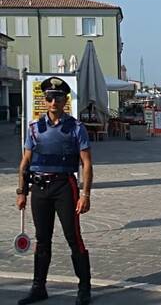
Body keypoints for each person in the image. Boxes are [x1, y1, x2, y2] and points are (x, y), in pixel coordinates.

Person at [15, 77, 93, 305]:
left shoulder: (76, 128)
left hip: (64, 187)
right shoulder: (34, 128)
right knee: (42, 239)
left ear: (65, 100)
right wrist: (21, 191)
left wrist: (85, 194)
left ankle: (84, 288)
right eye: (49, 98)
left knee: (73, 237)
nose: (53, 102)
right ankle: (38, 287)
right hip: (39, 188)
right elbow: (25, 162)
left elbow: (86, 163)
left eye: (58, 98)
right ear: (44, 100)